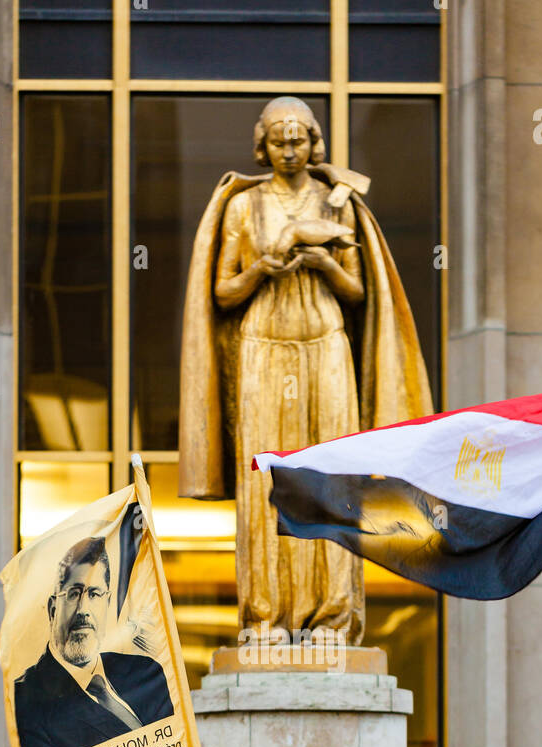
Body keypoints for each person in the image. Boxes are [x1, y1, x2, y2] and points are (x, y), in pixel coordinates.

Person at [178, 95, 432, 645]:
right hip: (263, 347)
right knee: (265, 481)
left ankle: (331, 619)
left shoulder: (336, 201)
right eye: (278, 141)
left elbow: (359, 290)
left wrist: (322, 262)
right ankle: (265, 619)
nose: (288, 150)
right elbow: (222, 292)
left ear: (312, 140)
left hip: (324, 347)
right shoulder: (242, 207)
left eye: (297, 140)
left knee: (330, 477)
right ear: (261, 145)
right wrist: (263, 269)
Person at [14, 535, 173, 747]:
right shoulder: (27, 699)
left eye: (94, 594)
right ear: (52, 609)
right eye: (73, 594)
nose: (83, 609)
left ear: (107, 604)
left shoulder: (147, 674)